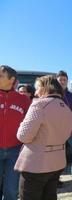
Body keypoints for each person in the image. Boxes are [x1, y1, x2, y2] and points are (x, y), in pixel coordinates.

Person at [14, 75, 72, 200]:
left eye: (37, 88)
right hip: (57, 161)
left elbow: (23, 136)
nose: (35, 92)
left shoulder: (39, 105)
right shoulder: (66, 108)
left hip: (36, 164)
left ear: (45, 88)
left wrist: (22, 122)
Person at [0, 65, 31, 200]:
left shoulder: (23, 99)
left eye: (1, 75)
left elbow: (31, 123)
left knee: (11, 191)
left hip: (15, 150)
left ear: (11, 79)